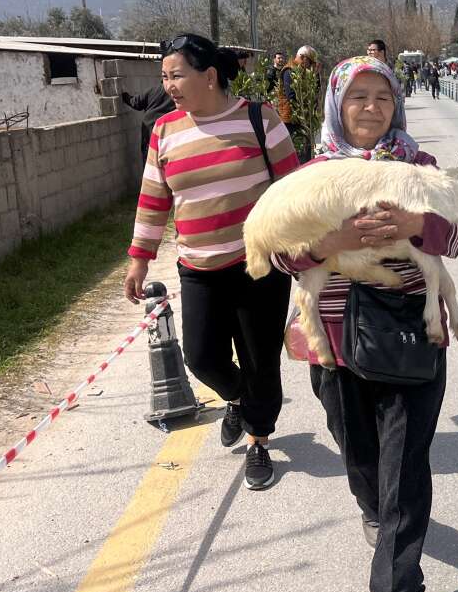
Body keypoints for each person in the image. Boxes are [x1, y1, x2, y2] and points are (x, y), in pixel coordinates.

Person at [271, 55, 458, 592]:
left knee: (406, 462)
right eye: (357, 97)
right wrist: (329, 242)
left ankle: (399, 591)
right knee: (355, 446)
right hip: (330, 336)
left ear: (396, 105)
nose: (370, 108)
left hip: (411, 333)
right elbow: (279, 252)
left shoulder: (419, 166)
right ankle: (370, 503)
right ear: (337, 103)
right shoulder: (313, 173)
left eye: (381, 97)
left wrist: (415, 222)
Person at [123, 33, 301, 490]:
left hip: (259, 267)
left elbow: (293, 190)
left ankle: (258, 441)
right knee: (201, 357)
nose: (169, 85)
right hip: (198, 267)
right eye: (164, 77)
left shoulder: (260, 121)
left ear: (209, 75)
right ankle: (242, 401)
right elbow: (152, 199)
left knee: (260, 359)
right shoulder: (164, 131)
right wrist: (139, 259)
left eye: (176, 75)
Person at [281, 45, 323, 162]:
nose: (310, 65)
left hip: (304, 118)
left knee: (307, 151)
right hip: (292, 118)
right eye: (310, 62)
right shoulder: (289, 71)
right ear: (303, 57)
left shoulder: (304, 71)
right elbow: (292, 96)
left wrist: (315, 75)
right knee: (298, 151)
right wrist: (302, 114)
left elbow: (315, 90)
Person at [120, 79, 177, 163]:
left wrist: (125, 95)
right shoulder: (177, 94)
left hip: (149, 127)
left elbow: (135, 103)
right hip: (166, 129)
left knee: (149, 156)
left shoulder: (153, 90)